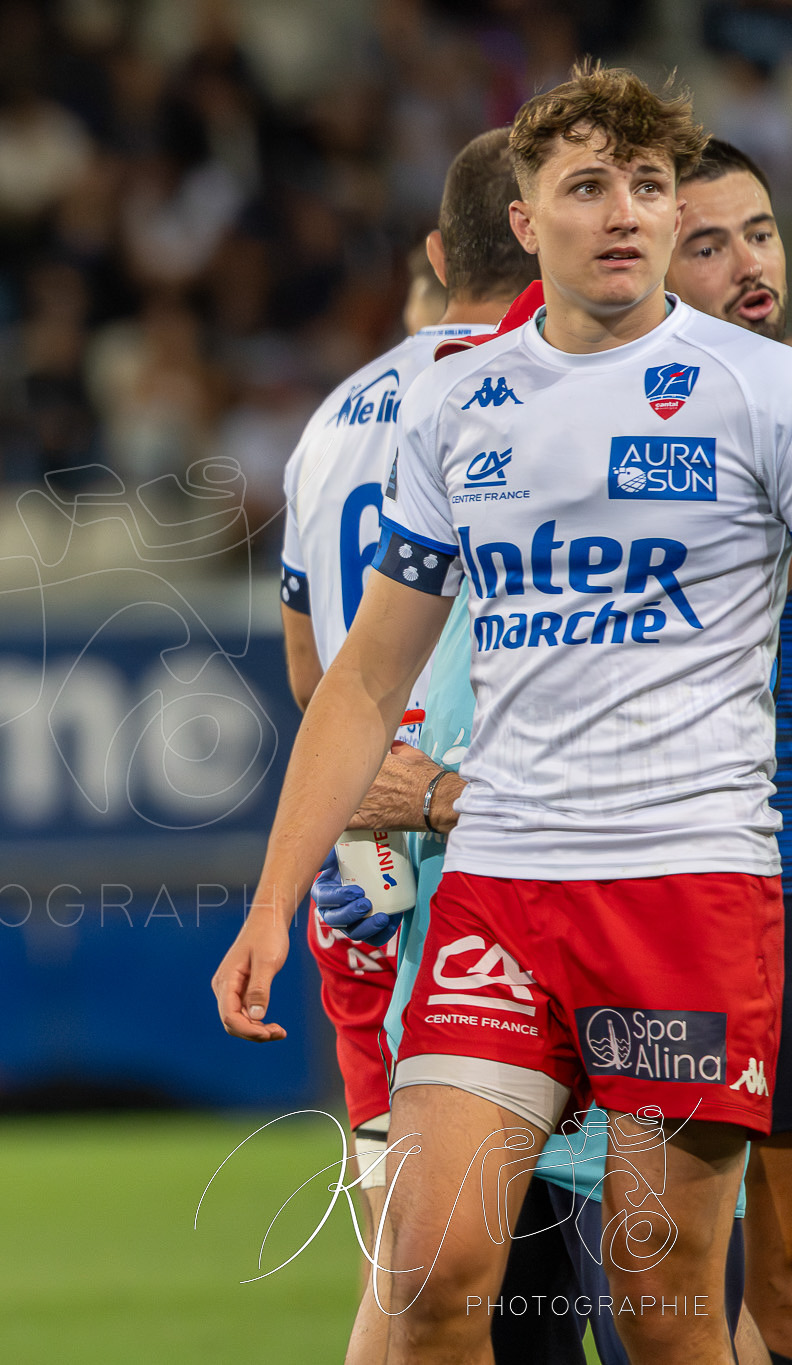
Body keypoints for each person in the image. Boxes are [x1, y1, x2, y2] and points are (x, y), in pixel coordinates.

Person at [214, 62, 788, 1363]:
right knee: (429, 1278)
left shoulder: (760, 396)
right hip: (502, 892)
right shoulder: (458, 404)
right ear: (526, 218)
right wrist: (269, 899)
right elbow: (362, 680)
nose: (628, 212)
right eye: (590, 186)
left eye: (648, 186)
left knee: (662, 1307)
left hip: (684, 887)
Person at [276, 126, 536, 1365]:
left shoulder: (332, 415)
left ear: (436, 253)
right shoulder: (531, 385)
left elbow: (302, 660)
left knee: (414, 1279)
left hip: (360, 871)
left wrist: (356, 785)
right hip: (498, 854)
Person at [664, 137, 792, 1365]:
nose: (748, 265)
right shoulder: (619, 443)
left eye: (758, 232)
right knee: (695, 1284)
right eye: (708, 243)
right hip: (711, 887)